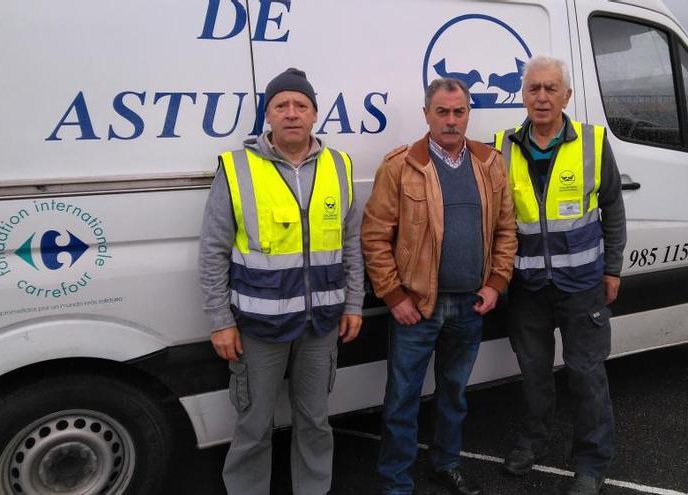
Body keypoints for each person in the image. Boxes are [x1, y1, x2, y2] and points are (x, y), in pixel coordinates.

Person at [198, 67, 364, 495]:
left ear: (314, 115)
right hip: (257, 326)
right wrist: (220, 320)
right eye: (281, 105)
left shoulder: (339, 166)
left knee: (315, 421)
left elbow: (351, 244)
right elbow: (213, 251)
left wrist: (353, 305)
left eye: (301, 105)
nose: (292, 113)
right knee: (253, 425)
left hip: (321, 325)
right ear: (267, 116)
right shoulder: (237, 168)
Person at [362, 78, 517, 495]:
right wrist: (394, 296)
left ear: (469, 113)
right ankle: (396, 482)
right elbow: (374, 237)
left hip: (470, 305)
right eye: (442, 112)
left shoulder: (489, 163)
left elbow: (505, 229)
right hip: (417, 307)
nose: (451, 121)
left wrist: (496, 283)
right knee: (402, 401)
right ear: (427, 113)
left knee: (454, 395)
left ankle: (446, 464)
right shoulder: (400, 165)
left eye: (459, 112)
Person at [493, 55, 626, 495]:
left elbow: (613, 208)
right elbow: (498, 220)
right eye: (534, 89)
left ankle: (591, 462)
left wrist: (612, 269)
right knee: (533, 373)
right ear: (523, 95)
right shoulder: (504, 146)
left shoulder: (591, 142)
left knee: (586, 373)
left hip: (583, 285)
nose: (543, 97)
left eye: (551, 88)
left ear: (566, 95)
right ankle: (534, 441)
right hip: (527, 287)